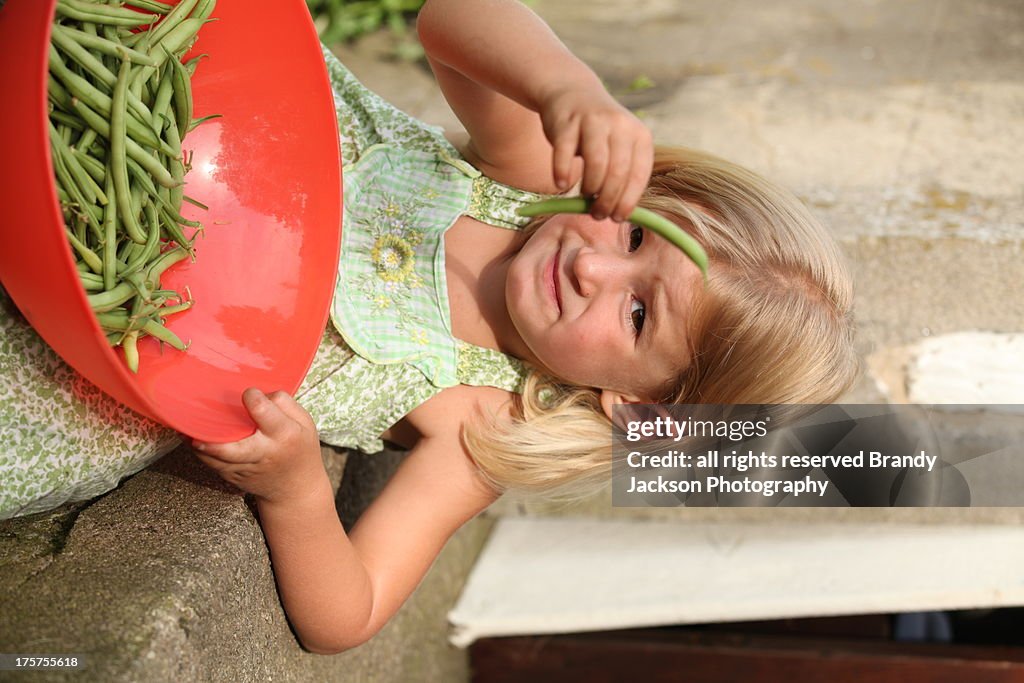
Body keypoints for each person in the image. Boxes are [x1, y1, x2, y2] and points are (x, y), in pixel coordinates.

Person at [188, 0, 859, 654]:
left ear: (637, 406)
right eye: (634, 235)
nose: (592, 267)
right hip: (209, 97)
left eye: (638, 313)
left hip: (174, 307)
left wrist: (296, 491)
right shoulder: (531, 180)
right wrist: (567, 87)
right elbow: (448, 17)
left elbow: (347, 615)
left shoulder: (483, 422)